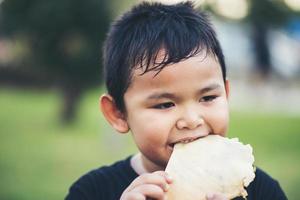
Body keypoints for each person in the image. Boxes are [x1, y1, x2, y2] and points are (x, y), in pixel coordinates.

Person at [65, 1, 287, 200]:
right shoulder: (92, 191)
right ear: (118, 114)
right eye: (164, 104)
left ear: (226, 94)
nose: (191, 120)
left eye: (208, 97)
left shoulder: (260, 190)